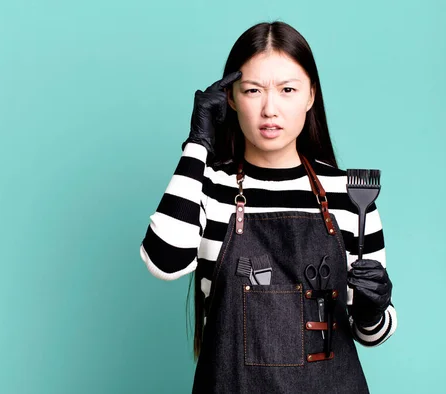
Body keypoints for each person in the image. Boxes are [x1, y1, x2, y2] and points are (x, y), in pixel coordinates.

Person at [139, 21, 397, 394]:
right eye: (253, 90)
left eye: (287, 90)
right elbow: (163, 262)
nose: (269, 109)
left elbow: (370, 334)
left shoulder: (348, 194)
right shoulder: (210, 186)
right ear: (229, 98)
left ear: (310, 96)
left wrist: (374, 309)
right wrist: (197, 145)